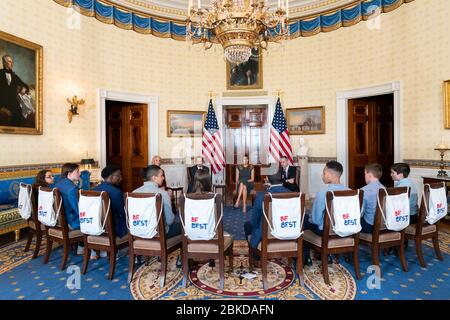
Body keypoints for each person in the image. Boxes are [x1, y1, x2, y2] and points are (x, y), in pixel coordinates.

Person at [303, 161, 350, 265]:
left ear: (331, 175)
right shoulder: (351, 192)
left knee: (304, 219)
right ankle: (322, 254)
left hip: (326, 230)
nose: (322, 175)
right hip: (345, 228)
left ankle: (305, 257)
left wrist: (309, 218)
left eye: (324, 173)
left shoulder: (323, 192)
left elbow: (316, 220)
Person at [244, 172, 291, 265]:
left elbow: (254, 221)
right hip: (287, 231)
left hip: (267, 233)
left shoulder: (262, 196)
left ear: (267, 180)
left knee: (248, 225)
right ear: (282, 179)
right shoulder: (293, 194)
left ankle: (256, 257)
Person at [133, 165, 181, 239]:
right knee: (183, 224)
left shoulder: (134, 193)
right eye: (161, 176)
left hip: (139, 231)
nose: (163, 178)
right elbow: (169, 221)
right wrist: (170, 200)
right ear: (154, 178)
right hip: (159, 233)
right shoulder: (162, 193)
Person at [93, 165, 127, 238]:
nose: (121, 178)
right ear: (112, 177)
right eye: (119, 175)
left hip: (96, 227)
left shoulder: (93, 190)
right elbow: (123, 213)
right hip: (115, 231)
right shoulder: (117, 192)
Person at [0, 54, 29, 127]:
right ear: (4, 62)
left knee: (19, 112)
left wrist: (24, 88)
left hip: (12, 102)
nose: (12, 64)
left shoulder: (14, 76)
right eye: (10, 61)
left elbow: (25, 85)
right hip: (1, 100)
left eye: (12, 62)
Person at [55, 163, 81, 230]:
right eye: (77, 171)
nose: (80, 173)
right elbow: (78, 209)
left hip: (60, 219)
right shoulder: (72, 189)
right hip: (72, 221)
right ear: (69, 174)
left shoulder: (58, 184)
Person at [360, 163, 385, 233]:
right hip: (384, 225)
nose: (364, 176)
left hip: (370, 225)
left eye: (365, 174)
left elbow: (360, 212)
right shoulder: (385, 188)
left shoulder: (364, 190)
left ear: (369, 175)